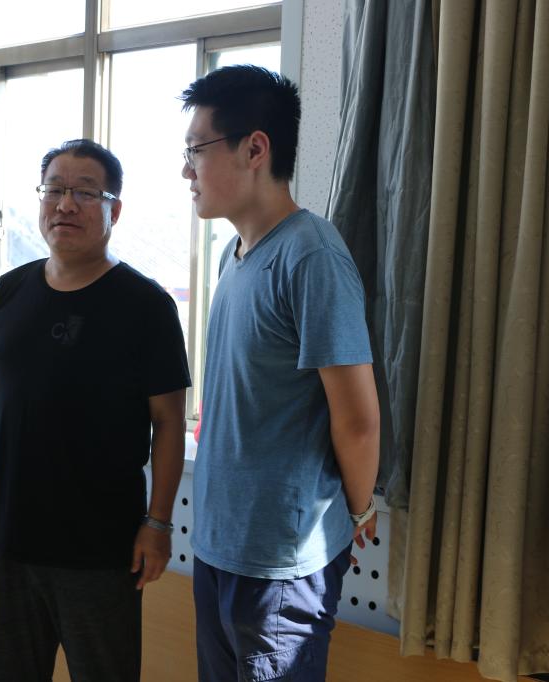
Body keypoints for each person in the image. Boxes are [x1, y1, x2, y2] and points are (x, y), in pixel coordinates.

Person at [180, 65, 381, 681]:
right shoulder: (232, 255)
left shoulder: (311, 253)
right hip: (219, 545)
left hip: (280, 565)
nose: (186, 171)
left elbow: (357, 418)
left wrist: (359, 510)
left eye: (196, 150)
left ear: (255, 149)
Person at [0, 139, 191, 682]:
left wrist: (158, 523)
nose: (65, 204)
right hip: (11, 538)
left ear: (115, 210)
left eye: (86, 193)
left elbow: (168, 423)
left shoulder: (146, 305)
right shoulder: (10, 290)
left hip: (102, 550)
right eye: (54, 190)